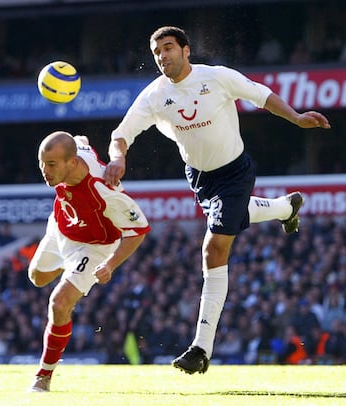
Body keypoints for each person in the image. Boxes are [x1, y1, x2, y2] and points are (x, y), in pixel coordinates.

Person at [103, 26, 331, 374]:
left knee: (213, 247)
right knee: (231, 218)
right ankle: (287, 207)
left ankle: (200, 349)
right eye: (157, 52)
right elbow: (122, 134)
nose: (163, 56)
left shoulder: (218, 78)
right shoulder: (153, 96)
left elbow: (262, 95)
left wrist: (297, 118)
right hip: (199, 178)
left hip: (235, 172)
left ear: (186, 50)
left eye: (168, 48)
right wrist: (118, 158)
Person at [28, 131, 150, 392]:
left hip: (93, 247)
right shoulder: (76, 153)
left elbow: (138, 230)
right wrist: (79, 139)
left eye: (51, 165)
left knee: (59, 303)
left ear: (71, 163)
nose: (44, 171)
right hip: (61, 227)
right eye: (41, 163)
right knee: (36, 277)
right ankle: (68, 266)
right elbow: (81, 141)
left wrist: (110, 264)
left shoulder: (104, 189)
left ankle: (43, 375)